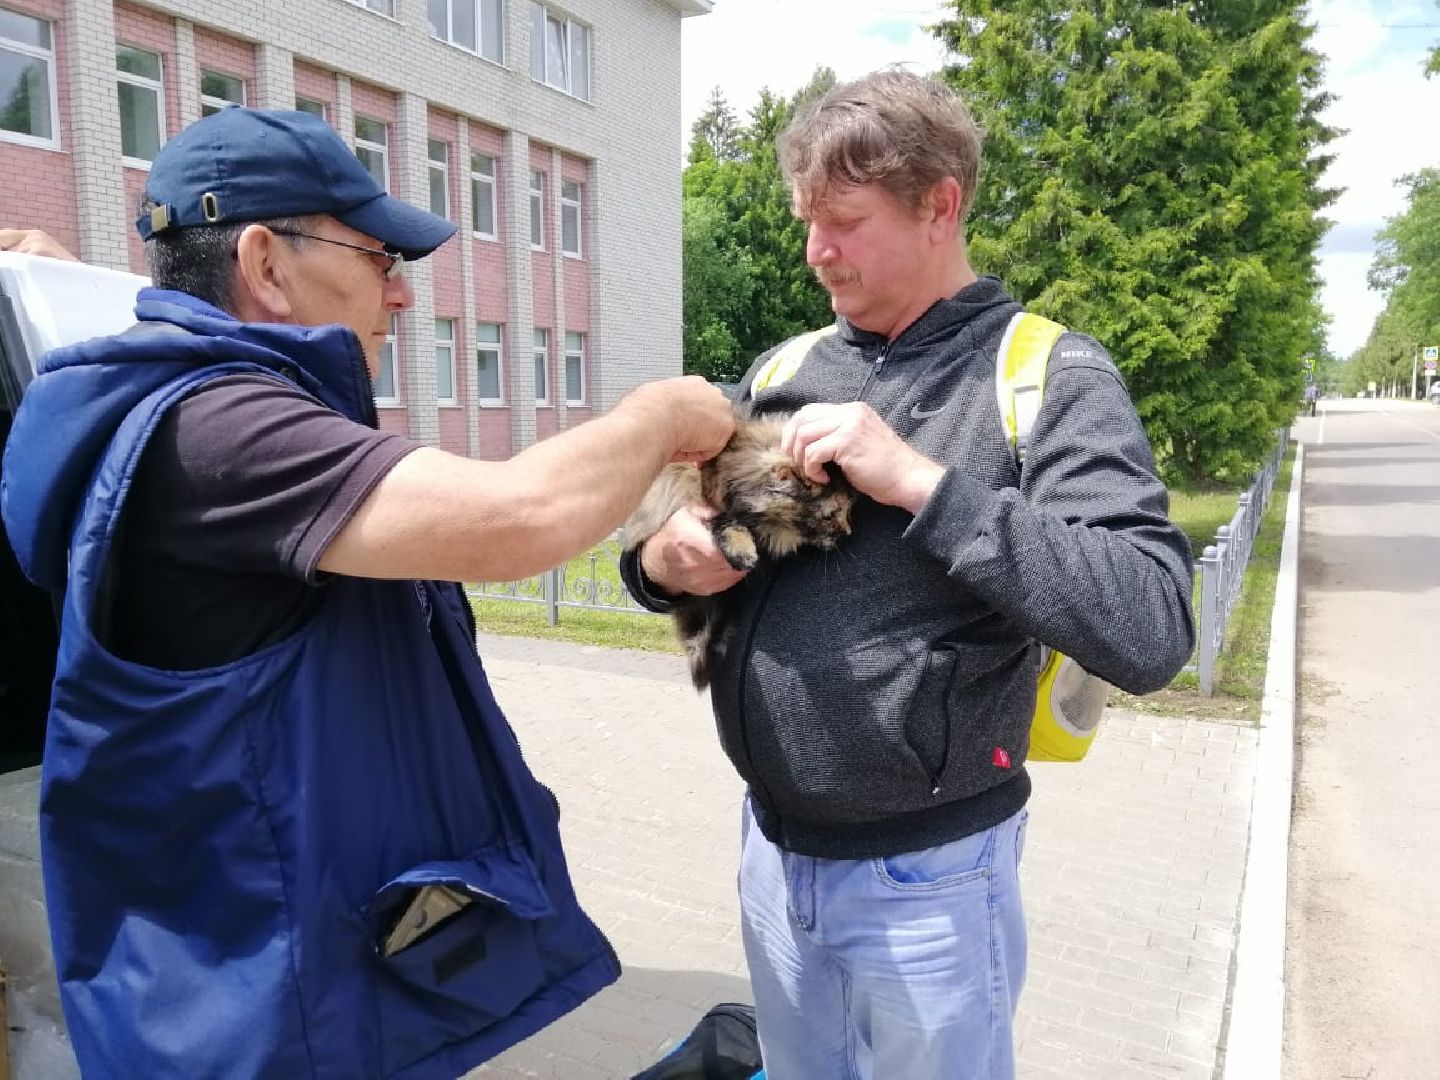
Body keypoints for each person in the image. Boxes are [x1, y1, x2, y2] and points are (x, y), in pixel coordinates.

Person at [0, 107, 734, 1079]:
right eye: (378, 259)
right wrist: (662, 412)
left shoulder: (149, 404)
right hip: (267, 1010)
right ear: (265, 263)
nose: (398, 298)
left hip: (237, 962)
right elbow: (519, 519)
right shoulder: (219, 430)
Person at [621, 70, 1196, 1079]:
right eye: (808, 221)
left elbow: (1150, 624)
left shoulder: (1047, 377)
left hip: (928, 880)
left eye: (843, 221)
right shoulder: (781, 368)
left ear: (941, 204)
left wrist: (923, 483)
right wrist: (659, 564)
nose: (815, 252)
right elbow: (674, 531)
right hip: (772, 853)